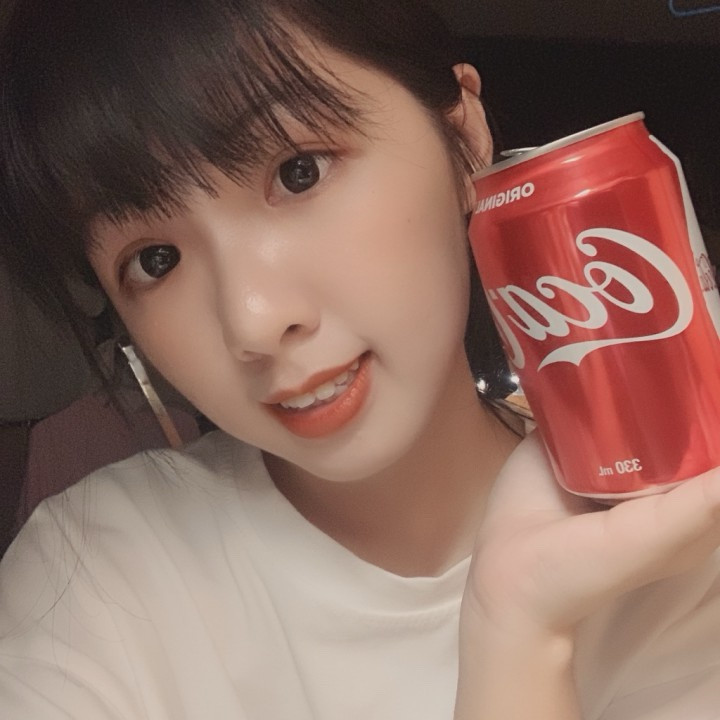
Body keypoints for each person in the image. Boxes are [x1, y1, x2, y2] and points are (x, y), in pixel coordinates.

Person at [1, 1, 719, 718]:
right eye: (155, 260)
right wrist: (515, 640)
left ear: (462, 135)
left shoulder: (684, 543)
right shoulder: (96, 574)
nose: (255, 321)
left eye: (300, 172)